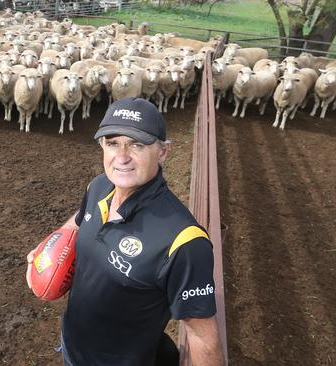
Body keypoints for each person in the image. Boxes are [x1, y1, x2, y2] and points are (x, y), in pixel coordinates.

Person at [26, 97, 224, 366]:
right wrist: (46, 251)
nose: (122, 157)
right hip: (73, 349)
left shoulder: (184, 241)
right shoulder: (98, 187)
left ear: (163, 151)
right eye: (112, 143)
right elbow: (78, 223)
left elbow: (203, 339)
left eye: (137, 144)